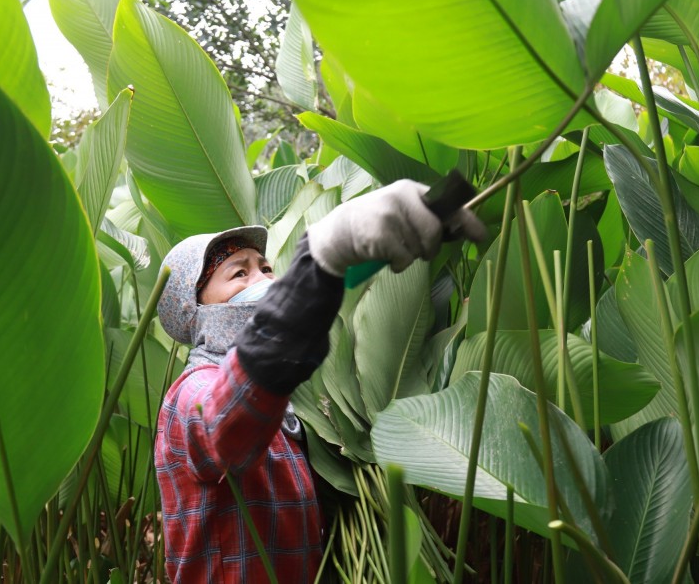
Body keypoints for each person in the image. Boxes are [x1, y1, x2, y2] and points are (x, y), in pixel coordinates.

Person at [154, 179, 485, 582]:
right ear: (196, 311)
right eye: (238, 274)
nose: (262, 281)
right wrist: (321, 258)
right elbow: (223, 427)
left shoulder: (288, 400)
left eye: (266, 267)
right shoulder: (192, 392)